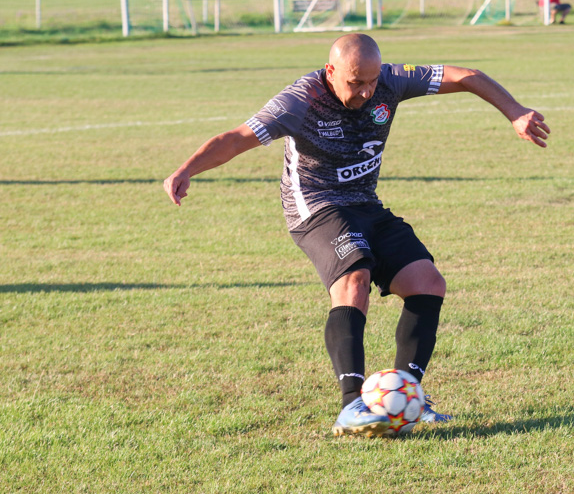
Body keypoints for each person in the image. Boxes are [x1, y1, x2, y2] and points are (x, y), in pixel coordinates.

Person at [163, 33, 550, 437]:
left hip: (366, 204)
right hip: (316, 206)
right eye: (355, 82)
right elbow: (238, 138)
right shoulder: (300, 100)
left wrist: (516, 112)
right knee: (354, 280)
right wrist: (188, 169)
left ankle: (407, 399)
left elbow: (467, 75)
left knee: (427, 283)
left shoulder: (390, 81)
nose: (366, 91)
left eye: (371, 81)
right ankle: (352, 406)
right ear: (331, 71)